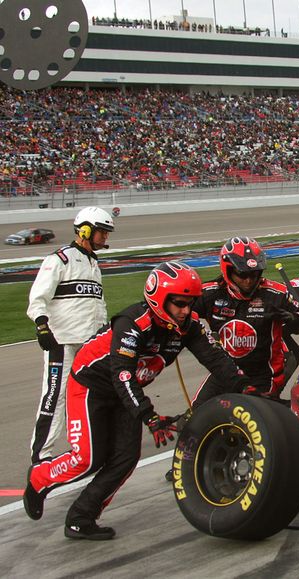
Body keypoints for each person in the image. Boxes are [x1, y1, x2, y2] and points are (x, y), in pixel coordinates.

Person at [23, 261, 252, 539]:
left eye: (190, 304)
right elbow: (122, 375)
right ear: (159, 299)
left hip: (126, 392)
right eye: (179, 304)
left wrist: (245, 388)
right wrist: (149, 416)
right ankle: (39, 478)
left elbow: (216, 360)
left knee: (126, 458)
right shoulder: (132, 324)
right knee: (87, 458)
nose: (186, 311)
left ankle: (81, 517)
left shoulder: (187, 325)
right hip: (91, 387)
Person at [26, 206, 115, 465]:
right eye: (102, 232)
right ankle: (41, 455)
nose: (105, 238)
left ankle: (88, 446)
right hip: (61, 342)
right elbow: (37, 297)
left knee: (93, 395)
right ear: (85, 229)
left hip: (90, 344)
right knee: (55, 397)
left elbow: (96, 304)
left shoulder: (93, 263)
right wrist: (42, 326)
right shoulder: (60, 259)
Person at [190, 237, 299, 408]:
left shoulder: (277, 294)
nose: (248, 281)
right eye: (242, 274)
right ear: (228, 270)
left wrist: (294, 320)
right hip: (225, 371)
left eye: (254, 274)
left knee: (249, 421)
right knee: (196, 415)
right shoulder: (210, 293)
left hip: (262, 376)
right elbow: (181, 312)